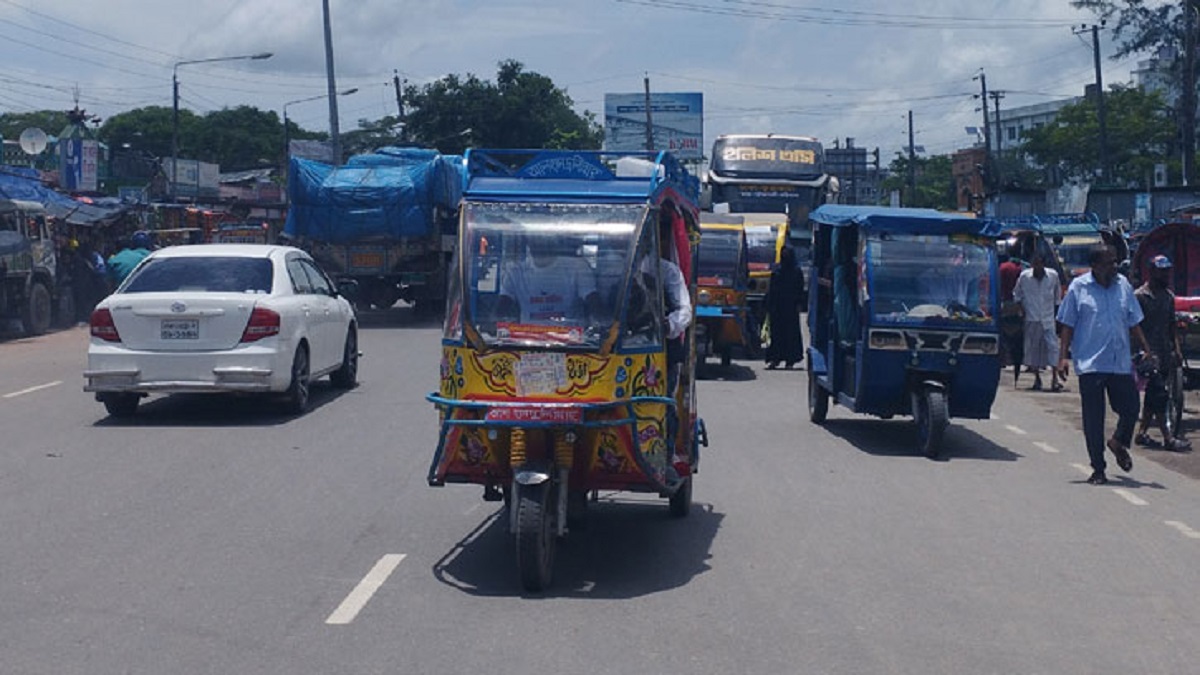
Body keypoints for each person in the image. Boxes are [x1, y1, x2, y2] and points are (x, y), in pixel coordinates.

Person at [1056, 244, 1152, 485]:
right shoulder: (1079, 288)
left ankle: (1119, 441)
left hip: (1119, 362)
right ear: (1096, 266)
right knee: (1093, 419)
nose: (1114, 266)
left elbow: (1133, 321)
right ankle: (1098, 468)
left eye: (1115, 261)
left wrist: (1146, 348)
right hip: (1091, 363)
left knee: (1130, 407)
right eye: (1109, 262)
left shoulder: (1123, 286)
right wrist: (1062, 358)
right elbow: (1067, 324)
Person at [1133, 255, 1191, 451]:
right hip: (1146, 355)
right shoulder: (1140, 296)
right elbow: (1133, 326)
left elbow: (1171, 325)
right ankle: (1168, 438)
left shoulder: (1168, 296)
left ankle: (1141, 433)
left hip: (1164, 353)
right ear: (1152, 272)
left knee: (1152, 397)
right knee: (1161, 394)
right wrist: (1141, 352)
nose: (1166, 274)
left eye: (1167, 270)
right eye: (1162, 271)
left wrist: (1176, 348)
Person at [497, 237, 599, 324]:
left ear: (555, 241)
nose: (540, 243)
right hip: (527, 342)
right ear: (528, 241)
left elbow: (594, 303)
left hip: (572, 342)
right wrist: (494, 321)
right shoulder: (515, 271)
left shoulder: (577, 267)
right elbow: (500, 309)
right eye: (535, 238)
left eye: (545, 239)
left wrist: (602, 320)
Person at [1013, 253, 1062, 392]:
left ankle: (1054, 379)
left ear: (1044, 264)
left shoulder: (1053, 276)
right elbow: (1017, 295)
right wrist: (1022, 310)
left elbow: (1057, 297)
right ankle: (1037, 379)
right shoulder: (1024, 277)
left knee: (1053, 348)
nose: (1037, 267)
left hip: (1048, 318)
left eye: (1040, 264)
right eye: (1035, 264)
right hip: (1032, 318)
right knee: (1033, 350)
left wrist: (1057, 317)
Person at [764, 245, 805, 369]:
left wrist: (799, 304)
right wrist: (768, 306)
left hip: (790, 308)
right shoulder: (776, 270)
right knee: (776, 334)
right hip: (777, 308)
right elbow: (771, 289)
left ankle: (790, 360)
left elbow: (800, 290)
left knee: (790, 334)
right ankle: (774, 359)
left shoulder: (796, 271)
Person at [998, 251, 1024, 374]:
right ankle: (1015, 358)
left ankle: (1004, 358)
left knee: (1003, 332)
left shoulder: (1002, 268)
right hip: (1017, 302)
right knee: (1016, 333)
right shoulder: (1019, 268)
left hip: (1005, 302)